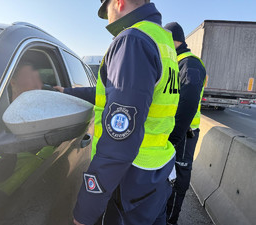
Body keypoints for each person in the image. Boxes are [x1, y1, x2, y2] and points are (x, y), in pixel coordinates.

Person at [56, 1, 180, 224]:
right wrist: (66, 91)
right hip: (155, 174)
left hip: (129, 181)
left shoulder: (133, 41)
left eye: (106, 12)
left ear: (119, 2)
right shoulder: (162, 40)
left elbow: (119, 142)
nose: (107, 19)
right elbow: (120, 94)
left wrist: (86, 211)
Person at [164, 22, 206, 225]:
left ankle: (170, 220)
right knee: (168, 177)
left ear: (173, 40)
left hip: (183, 134)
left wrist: (174, 137)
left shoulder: (190, 64)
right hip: (175, 132)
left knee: (178, 179)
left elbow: (188, 102)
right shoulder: (176, 62)